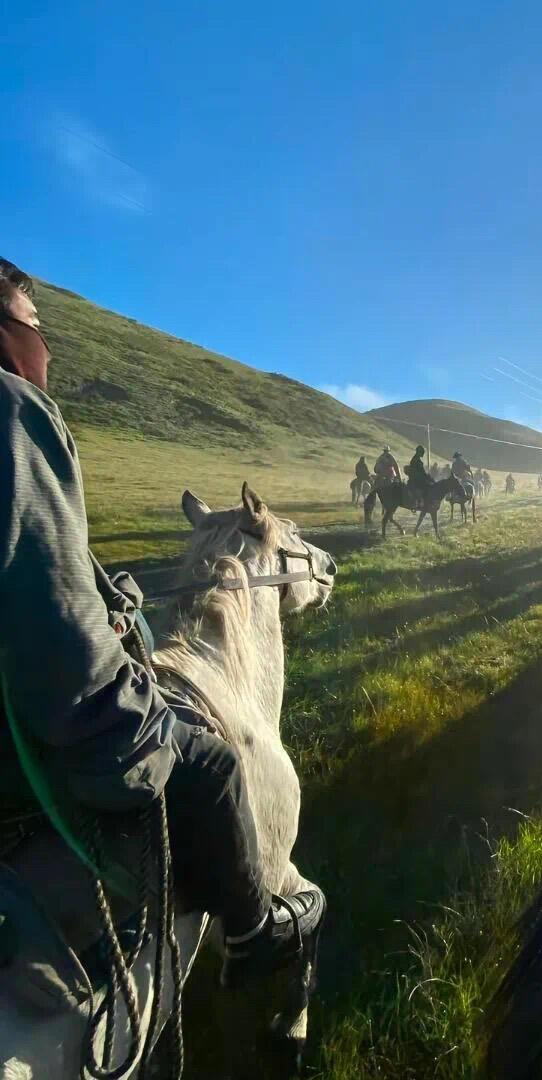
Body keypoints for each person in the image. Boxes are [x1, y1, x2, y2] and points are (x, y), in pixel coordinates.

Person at [0, 259, 322, 988]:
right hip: (37, 738)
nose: (46, 350)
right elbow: (59, 643)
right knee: (211, 768)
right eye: (35, 328)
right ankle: (254, 935)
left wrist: (104, 591)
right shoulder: (12, 412)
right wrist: (133, 731)